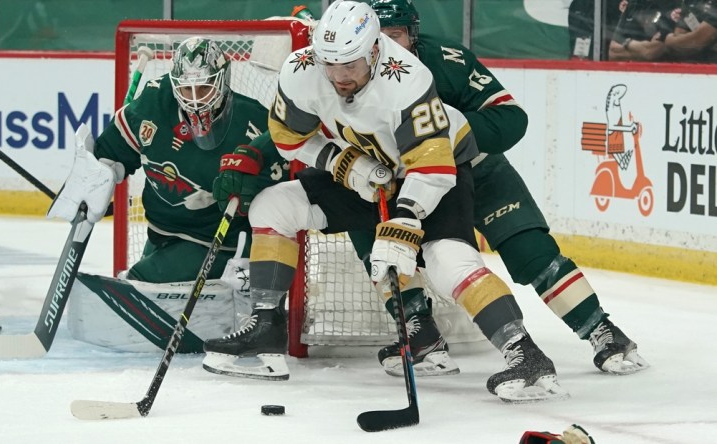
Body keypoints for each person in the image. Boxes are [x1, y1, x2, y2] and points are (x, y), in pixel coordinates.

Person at [202, 0, 568, 403]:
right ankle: (266, 323)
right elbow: (290, 137)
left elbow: (431, 165)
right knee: (272, 207)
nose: (339, 78)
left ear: (374, 50)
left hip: (434, 170)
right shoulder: (303, 68)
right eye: (331, 65)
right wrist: (342, 162)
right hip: (367, 168)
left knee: (447, 260)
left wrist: (406, 221)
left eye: (350, 66)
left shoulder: (408, 79)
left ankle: (525, 354)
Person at [368, 0, 648, 377]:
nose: (387, 46)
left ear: (413, 35)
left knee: (533, 253)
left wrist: (448, 132)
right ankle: (421, 334)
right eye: (378, 38)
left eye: (396, 35)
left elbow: (510, 118)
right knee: (391, 252)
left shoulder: (447, 61)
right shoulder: (349, 75)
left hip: (480, 172)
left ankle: (603, 330)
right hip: (414, 185)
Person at [47, 37, 289, 353]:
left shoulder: (253, 122)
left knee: (137, 283)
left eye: (203, 88)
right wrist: (98, 174)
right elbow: (111, 152)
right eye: (185, 89)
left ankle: (236, 298)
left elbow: (280, 192)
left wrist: (249, 193)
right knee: (141, 282)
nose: (193, 99)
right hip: (161, 232)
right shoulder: (154, 104)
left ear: (222, 80)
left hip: (215, 240)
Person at [609, 0, 681, 61]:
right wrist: (641, 50)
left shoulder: (670, 7)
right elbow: (612, 52)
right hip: (628, 72)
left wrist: (625, 42)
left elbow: (652, 51)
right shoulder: (632, 5)